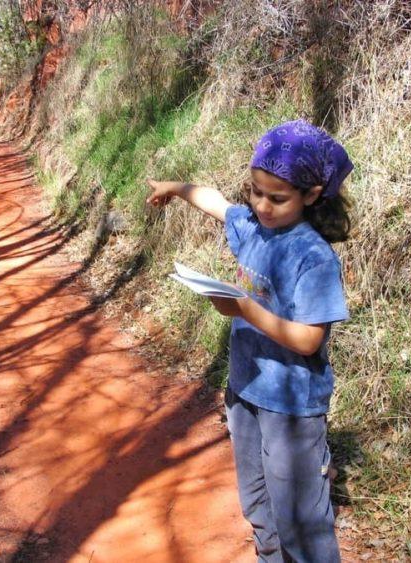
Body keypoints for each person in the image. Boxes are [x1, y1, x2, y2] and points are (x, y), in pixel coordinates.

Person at [146, 119, 353, 563]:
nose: (262, 206)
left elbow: (309, 340)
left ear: (312, 195)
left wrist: (246, 310)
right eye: (256, 191)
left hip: (293, 407)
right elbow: (218, 204)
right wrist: (176, 187)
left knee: (301, 518)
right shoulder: (255, 228)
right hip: (245, 390)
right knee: (258, 502)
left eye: (277, 198)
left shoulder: (313, 257)